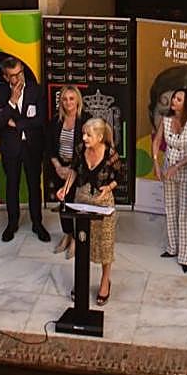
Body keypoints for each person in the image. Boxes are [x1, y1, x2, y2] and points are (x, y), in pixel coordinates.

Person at [56, 118, 125, 306]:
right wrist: (65, 189)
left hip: (103, 203)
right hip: (82, 200)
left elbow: (121, 175)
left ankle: (105, 281)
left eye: (89, 135)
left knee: (105, 245)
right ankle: (81, 281)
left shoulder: (110, 154)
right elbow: (73, 171)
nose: (84, 138)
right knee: (82, 241)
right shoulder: (80, 149)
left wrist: (108, 188)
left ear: (100, 137)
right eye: (83, 134)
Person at [0, 57, 50, 243]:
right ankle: (12, 224)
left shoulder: (36, 90)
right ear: (5, 76)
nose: (17, 79)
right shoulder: (0, 93)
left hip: (33, 146)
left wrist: (16, 124)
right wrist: (12, 101)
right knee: (12, 186)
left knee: (34, 186)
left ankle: (37, 223)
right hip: (10, 148)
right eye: (12, 76)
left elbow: (40, 120)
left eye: (19, 73)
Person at [151, 87, 187, 272]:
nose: (174, 101)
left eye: (178, 99)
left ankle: (186, 256)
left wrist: (177, 166)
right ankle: (173, 248)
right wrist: (156, 163)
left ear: (186, 103)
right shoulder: (166, 119)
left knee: (185, 213)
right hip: (167, 171)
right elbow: (157, 141)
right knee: (170, 208)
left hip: (185, 172)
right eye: (174, 98)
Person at [46, 85, 89, 260]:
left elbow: (88, 149)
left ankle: (76, 240)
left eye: (71, 98)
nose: (68, 102)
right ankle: (67, 234)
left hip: (79, 169)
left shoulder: (86, 120)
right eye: (64, 99)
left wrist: (72, 168)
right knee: (63, 202)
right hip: (60, 168)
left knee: (76, 204)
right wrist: (58, 166)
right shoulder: (55, 121)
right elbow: (49, 147)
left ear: (78, 100)